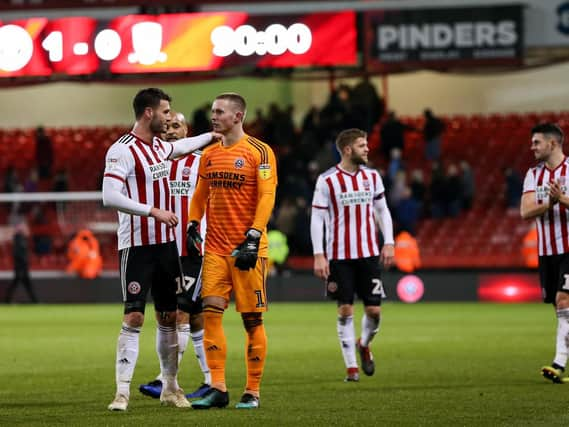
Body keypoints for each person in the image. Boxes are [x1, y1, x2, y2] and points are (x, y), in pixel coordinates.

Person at [102, 88, 217, 411]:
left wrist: (212, 135)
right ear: (149, 113)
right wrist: (152, 211)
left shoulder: (157, 148)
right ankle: (121, 392)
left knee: (169, 316)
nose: (169, 118)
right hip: (137, 246)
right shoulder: (121, 150)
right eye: (166, 112)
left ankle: (170, 387)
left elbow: (181, 146)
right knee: (135, 315)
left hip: (167, 247)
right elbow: (109, 196)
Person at [187, 93, 278, 410]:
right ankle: (218, 387)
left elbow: (267, 196)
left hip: (246, 250)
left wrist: (254, 235)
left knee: (252, 320)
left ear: (238, 116)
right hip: (215, 249)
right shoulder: (208, 155)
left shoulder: (260, 152)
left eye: (219, 112)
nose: (213, 116)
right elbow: (200, 195)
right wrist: (192, 223)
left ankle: (252, 390)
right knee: (210, 313)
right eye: (212, 111)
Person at [310, 128, 395, 382]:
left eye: (366, 144)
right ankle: (351, 368)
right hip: (340, 255)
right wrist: (318, 254)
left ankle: (364, 344)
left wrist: (389, 241)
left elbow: (382, 210)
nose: (367, 149)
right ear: (347, 150)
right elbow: (317, 217)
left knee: (374, 312)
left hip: (368, 254)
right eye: (361, 145)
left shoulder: (372, 177)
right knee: (345, 310)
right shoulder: (327, 180)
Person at [138, 111, 211, 400]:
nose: (169, 130)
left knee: (181, 313)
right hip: (162, 250)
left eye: (176, 126)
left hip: (192, 250)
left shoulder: (201, 163)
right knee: (185, 317)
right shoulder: (154, 165)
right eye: (166, 126)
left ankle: (164, 380)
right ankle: (209, 379)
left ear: (187, 131)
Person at [520, 122, 569, 384]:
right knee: (560, 308)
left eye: (537, 142)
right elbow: (525, 211)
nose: (532, 146)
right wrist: (548, 203)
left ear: (553, 143)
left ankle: (558, 363)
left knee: (563, 301)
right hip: (547, 252)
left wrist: (561, 199)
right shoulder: (533, 174)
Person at [4, 219, 38, 303]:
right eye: (24, 226)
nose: (26, 228)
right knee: (21, 284)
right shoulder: (18, 238)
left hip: (22, 267)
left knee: (25, 285)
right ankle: (7, 300)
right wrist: (23, 263)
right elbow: (17, 253)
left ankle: (35, 301)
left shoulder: (22, 238)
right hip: (20, 267)